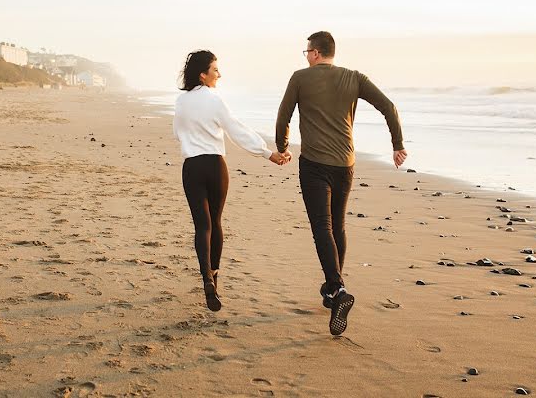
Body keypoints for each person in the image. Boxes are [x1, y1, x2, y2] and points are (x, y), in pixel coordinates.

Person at [275, 31, 407, 336]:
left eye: (307, 51)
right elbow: (390, 107)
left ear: (317, 53)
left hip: (314, 165)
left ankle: (336, 288)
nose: (306, 56)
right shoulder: (355, 77)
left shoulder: (300, 78)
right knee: (338, 226)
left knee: (321, 226)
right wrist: (397, 144)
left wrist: (283, 146)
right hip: (345, 163)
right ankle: (334, 289)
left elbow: (284, 115)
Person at [174, 50, 286, 311]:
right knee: (216, 221)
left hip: (192, 166)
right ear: (203, 75)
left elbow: (177, 133)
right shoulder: (214, 99)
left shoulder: (181, 102)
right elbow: (236, 130)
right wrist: (268, 153)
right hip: (215, 165)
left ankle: (205, 278)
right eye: (215, 70)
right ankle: (215, 276)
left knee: (202, 226)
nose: (219, 74)